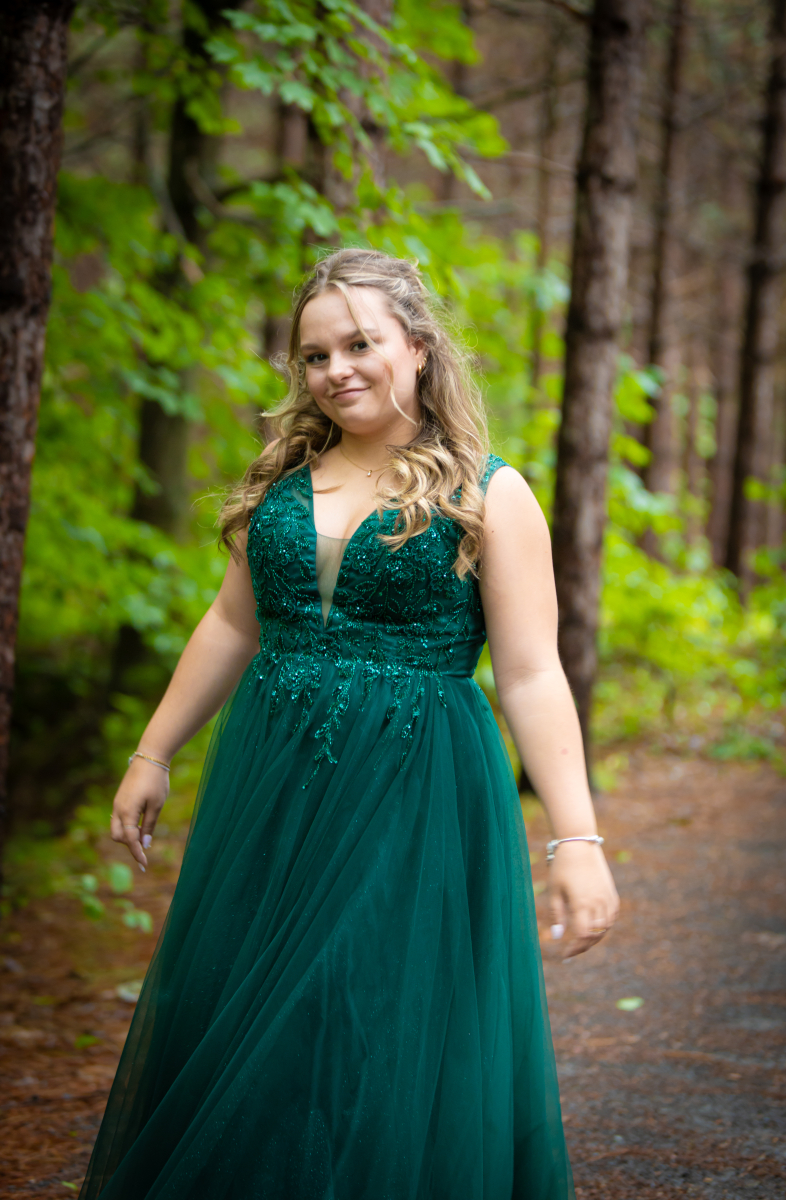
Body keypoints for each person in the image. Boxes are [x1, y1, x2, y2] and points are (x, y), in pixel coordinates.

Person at [79, 247, 617, 1200]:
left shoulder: (488, 493)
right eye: (316, 355)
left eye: (360, 344)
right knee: (250, 1005)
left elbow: (533, 673)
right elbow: (231, 625)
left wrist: (575, 838)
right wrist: (152, 751)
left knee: (368, 1005)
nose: (337, 370)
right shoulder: (285, 483)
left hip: (415, 790)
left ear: (417, 348)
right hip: (271, 787)